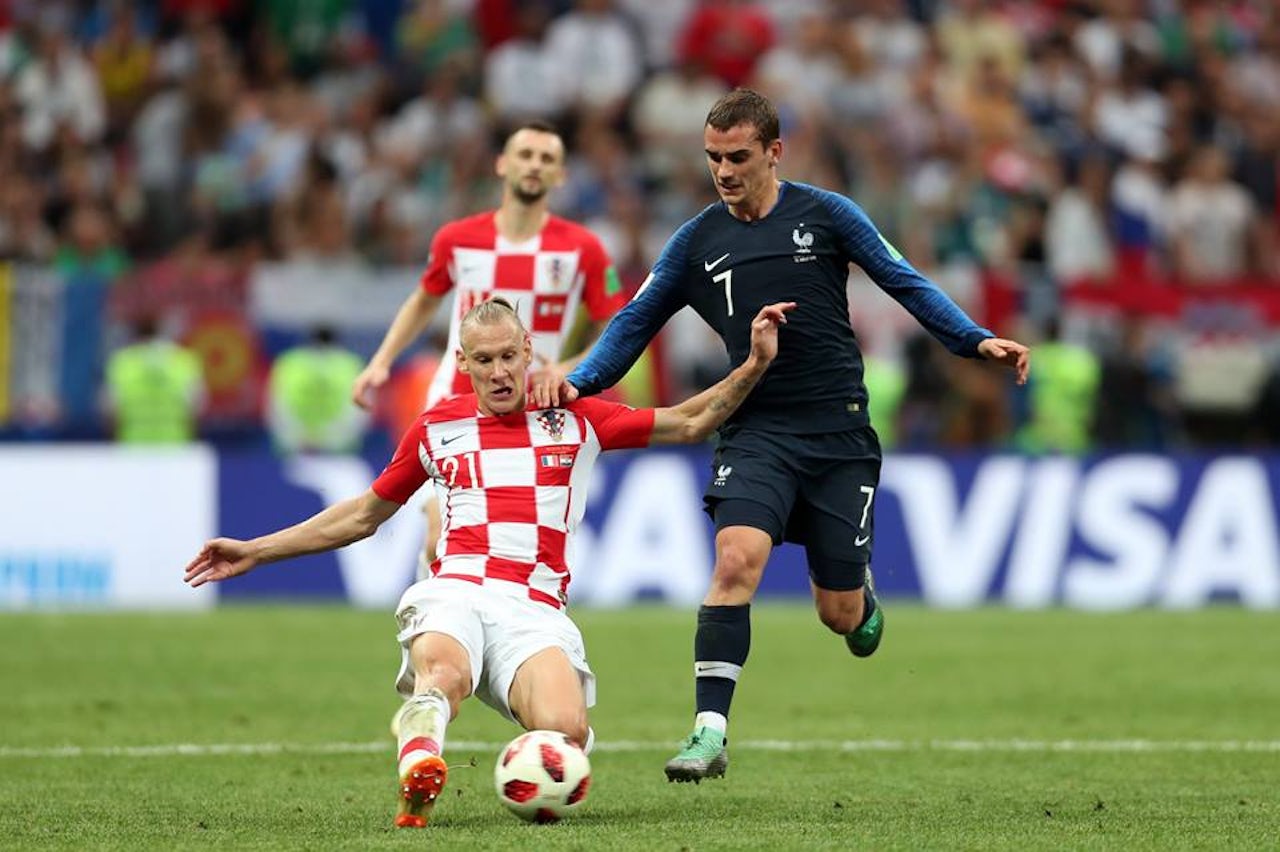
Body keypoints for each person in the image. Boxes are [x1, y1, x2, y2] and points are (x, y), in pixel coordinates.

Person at [540, 88, 1031, 783]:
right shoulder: (697, 241)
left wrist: (973, 340)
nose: (724, 170)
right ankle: (709, 733)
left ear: (774, 151)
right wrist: (581, 381)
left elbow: (904, 280)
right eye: (713, 157)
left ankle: (855, 592)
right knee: (735, 561)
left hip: (838, 435)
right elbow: (633, 321)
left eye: (738, 156)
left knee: (839, 617)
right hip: (756, 431)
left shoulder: (827, 215)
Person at [185, 296, 793, 828]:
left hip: (534, 610)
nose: (500, 372)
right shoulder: (435, 428)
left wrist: (756, 364)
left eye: (509, 356)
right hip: (456, 588)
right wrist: (256, 550)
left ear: (530, 350)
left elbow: (690, 421)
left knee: (567, 734)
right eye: (484, 360)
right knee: (443, 677)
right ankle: (421, 759)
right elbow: (363, 515)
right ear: (464, 362)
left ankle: (496, 759)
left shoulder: (575, 416)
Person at [351, 119, 627, 576]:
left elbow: (615, 325)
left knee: (515, 545)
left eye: (547, 159)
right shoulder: (458, 239)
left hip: (531, 407)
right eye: (525, 155)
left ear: (560, 175)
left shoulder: (583, 249)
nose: (534, 166)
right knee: (442, 534)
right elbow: (423, 300)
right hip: (453, 403)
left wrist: (572, 369)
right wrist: (381, 361)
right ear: (502, 164)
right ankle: (430, 640)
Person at [266, 326, 368, 454]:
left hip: (294, 446)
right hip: (339, 447)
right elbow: (360, 411)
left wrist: (297, 438)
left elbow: (278, 406)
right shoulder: (351, 364)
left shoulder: (289, 362)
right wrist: (333, 439)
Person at [105, 315, 204, 444]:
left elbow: (112, 412)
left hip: (133, 448)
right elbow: (194, 411)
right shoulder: (183, 362)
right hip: (174, 447)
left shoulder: (122, 364)